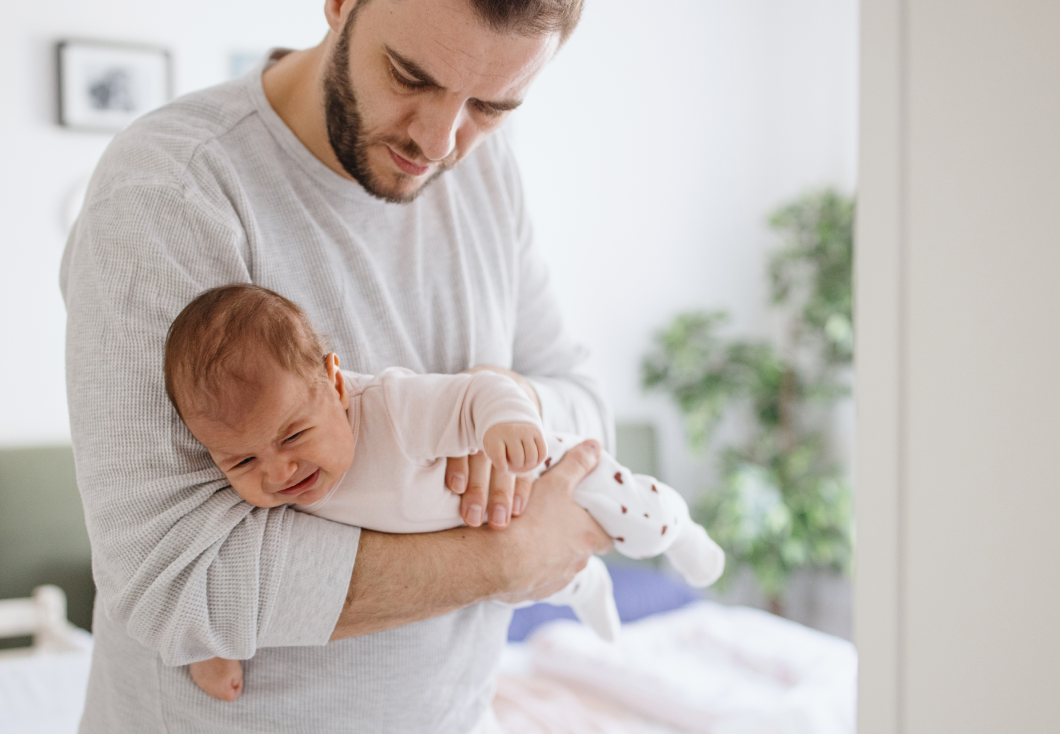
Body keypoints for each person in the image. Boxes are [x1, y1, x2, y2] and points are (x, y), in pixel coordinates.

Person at [60, 0, 610, 731]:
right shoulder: (171, 191)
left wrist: (509, 405)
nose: (438, 141)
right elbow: (171, 579)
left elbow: (585, 409)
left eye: (489, 105)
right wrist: (506, 561)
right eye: (409, 76)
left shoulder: (486, 173)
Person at [165, 284, 725, 702]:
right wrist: (213, 651)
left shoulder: (390, 409)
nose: (278, 471)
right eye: (241, 460)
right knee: (531, 584)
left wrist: (506, 422)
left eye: (293, 434)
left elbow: (475, 393)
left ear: (336, 385)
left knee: (634, 513)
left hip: (535, 463)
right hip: (486, 528)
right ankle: (588, 587)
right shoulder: (267, 489)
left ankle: (682, 531)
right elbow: (235, 578)